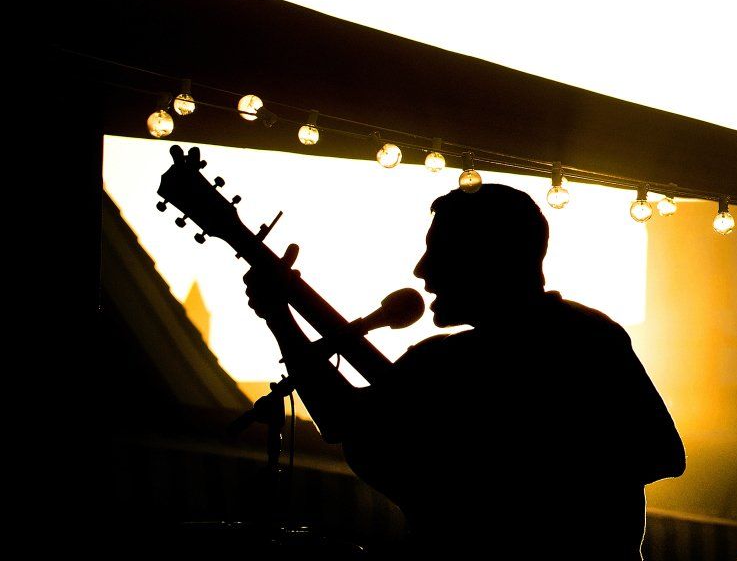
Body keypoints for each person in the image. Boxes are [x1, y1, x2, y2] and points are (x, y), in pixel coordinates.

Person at [245, 183, 685, 557]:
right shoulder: (444, 359)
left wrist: (506, 472)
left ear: (487, 257)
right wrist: (280, 315)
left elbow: (662, 453)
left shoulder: (585, 338)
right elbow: (342, 416)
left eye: (439, 252)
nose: (421, 271)